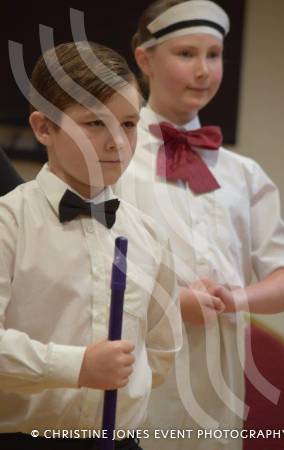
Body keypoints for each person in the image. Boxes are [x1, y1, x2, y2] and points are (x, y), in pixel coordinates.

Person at [114, 1, 284, 449]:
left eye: (213, 55)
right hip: (128, 379)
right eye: (186, 54)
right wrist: (169, 303)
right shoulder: (112, 158)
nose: (203, 71)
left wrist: (235, 299)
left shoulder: (243, 174)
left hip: (216, 392)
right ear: (145, 60)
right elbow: (83, 267)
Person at [0, 41, 182, 450]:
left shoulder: (150, 234)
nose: (117, 141)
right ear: (44, 127)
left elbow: (161, 349)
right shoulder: (7, 223)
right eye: (95, 124)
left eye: (130, 124)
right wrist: (77, 367)